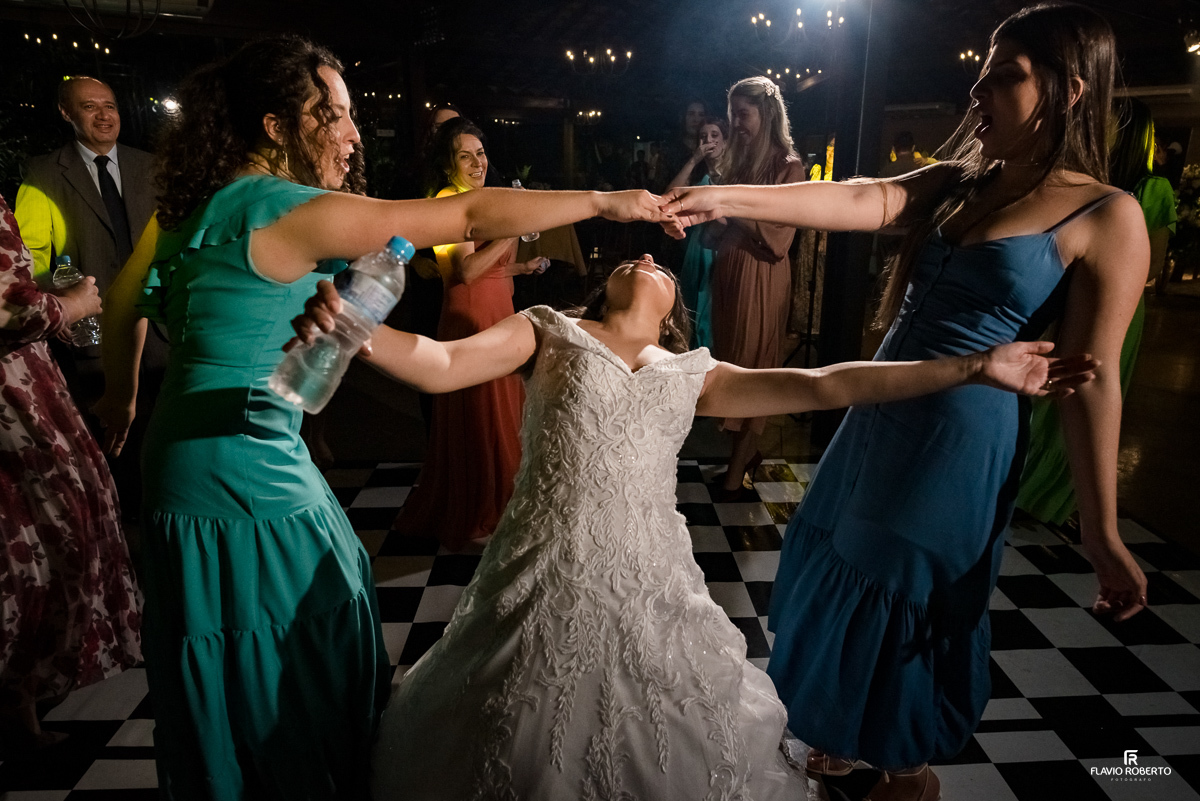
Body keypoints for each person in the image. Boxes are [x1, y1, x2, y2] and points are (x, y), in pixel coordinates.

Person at [288, 255, 1094, 801]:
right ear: (599, 286)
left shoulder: (694, 372)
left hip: (649, 579)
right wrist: (359, 329)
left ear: (678, 306)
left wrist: (973, 366)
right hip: (543, 569)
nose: (646, 260)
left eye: (663, 263)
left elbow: (827, 382)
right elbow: (440, 360)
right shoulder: (550, 331)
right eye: (631, 256)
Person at [93, 35, 667, 799]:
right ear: (277, 126)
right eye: (332, 115)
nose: (354, 133)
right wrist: (602, 201)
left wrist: (123, 396)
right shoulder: (290, 209)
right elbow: (464, 211)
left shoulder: (193, 205)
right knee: (309, 639)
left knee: (234, 643)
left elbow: (126, 295)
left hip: (180, 459)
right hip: (242, 464)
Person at [663, 5, 1150, 799]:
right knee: (836, 557)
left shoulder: (1106, 214)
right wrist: (728, 199)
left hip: (959, 440)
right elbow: (863, 199)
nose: (979, 85)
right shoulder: (963, 181)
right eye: (984, 68)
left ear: (1071, 91)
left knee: (900, 589)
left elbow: (1091, 381)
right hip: (881, 408)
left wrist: (1100, 528)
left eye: (1006, 73)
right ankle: (852, 734)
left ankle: (907, 769)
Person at [0, 194, 141, 755]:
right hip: (11, 399)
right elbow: (9, 309)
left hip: (24, 378)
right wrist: (71, 306)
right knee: (41, 543)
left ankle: (21, 711)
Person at [1017, 97, 1175, 526]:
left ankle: (1024, 486)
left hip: (1067, 296)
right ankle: (1054, 499)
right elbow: (1154, 262)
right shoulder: (1151, 189)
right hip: (1121, 303)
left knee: (1056, 391)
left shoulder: (1088, 185)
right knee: (1087, 387)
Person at [393, 117, 547, 551]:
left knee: (502, 413)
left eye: (480, 153)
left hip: (499, 309)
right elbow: (465, 272)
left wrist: (519, 264)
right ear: (448, 164)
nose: (477, 162)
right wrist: (514, 230)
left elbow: (496, 268)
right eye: (465, 155)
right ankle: (475, 514)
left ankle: (500, 504)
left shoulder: (483, 199)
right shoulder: (446, 201)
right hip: (470, 316)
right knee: (478, 417)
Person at [14, 75, 163, 520]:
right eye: (89, 107)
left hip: (162, 331)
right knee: (111, 454)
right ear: (66, 114)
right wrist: (63, 295)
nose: (104, 115)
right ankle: (122, 547)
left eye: (110, 106)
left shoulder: (151, 167)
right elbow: (30, 260)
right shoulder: (43, 172)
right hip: (91, 335)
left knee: (162, 448)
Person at [706, 77, 807, 501]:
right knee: (732, 366)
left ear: (766, 113)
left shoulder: (789, 166)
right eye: (732, 116)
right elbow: (716, 231)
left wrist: (728, 206)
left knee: (754, 370)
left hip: (761, 278)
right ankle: (743, 455)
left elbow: (779, 239)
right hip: (730, 276)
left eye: (741, 115)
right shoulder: (740, 161)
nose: (736, 124)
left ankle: (733, 479)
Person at [665, 117, 728, 349]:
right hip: (695, 248)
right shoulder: (697, 174)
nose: (709, 141)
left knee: (712, 310)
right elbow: (669, 195)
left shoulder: (733, 175)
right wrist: (694, 159)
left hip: (720, 248)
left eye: (715, 135)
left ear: (726, 141)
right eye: (704, 136)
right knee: (692, 306)